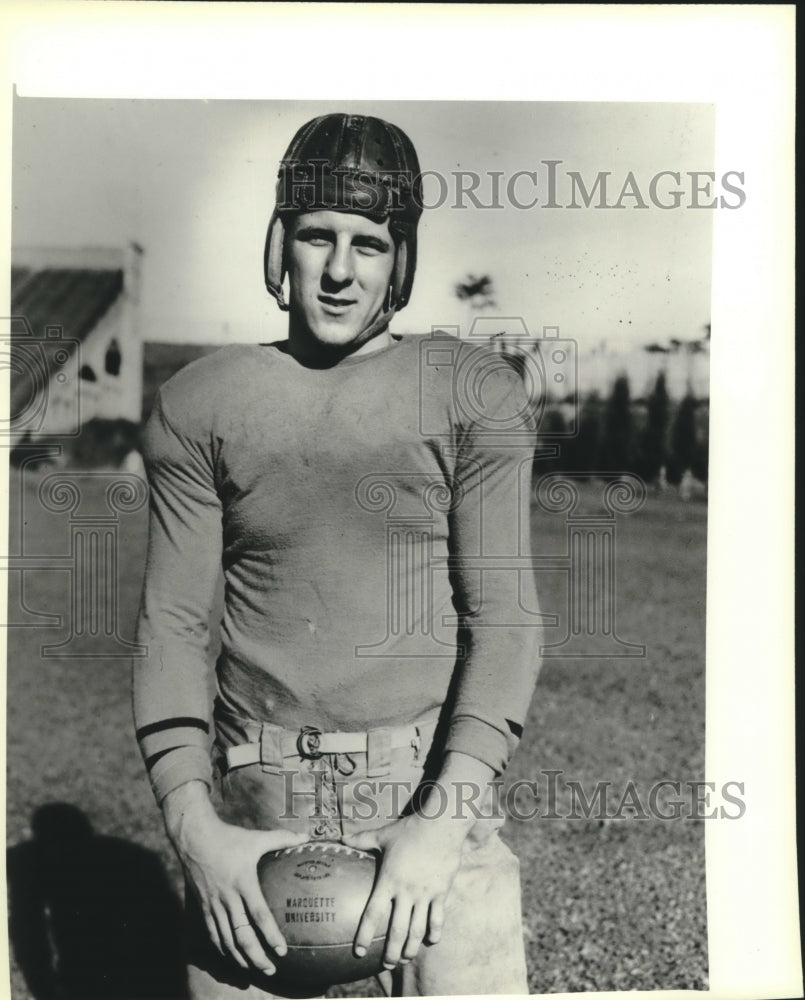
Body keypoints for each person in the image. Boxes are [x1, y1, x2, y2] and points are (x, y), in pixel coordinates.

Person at [133, 112, 541, 999]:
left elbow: (503, 623)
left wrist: (439, 824)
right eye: (318, 236)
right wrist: (194, 830)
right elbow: (169, 626)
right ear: (280, 242)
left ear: (404, 258)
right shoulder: (201, 401)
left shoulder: (470, 391)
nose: (342, 269)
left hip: (428, 790)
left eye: (371, 241)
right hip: (256, 795)